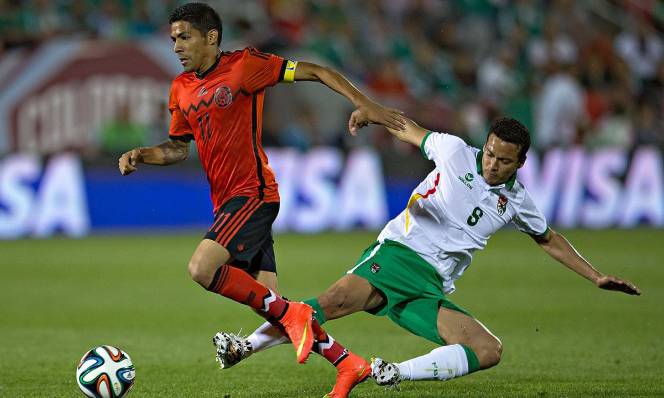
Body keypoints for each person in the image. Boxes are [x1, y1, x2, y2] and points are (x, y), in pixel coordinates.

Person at [214, 114, 641, 395]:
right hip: (401, 252)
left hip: (431, 286)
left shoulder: (517, 202)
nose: (491, 163)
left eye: (503, 160)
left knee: (487, 349)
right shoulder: (456, 152)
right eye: (490, 152)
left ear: (520, 163)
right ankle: (241, 347)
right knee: (329, 304)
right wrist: (368, 109)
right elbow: (406, 127)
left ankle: (392, 372)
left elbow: (548, 238)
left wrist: (595, 276)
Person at [117, 3, 404, 396]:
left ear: (211, 37)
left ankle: (295, 313)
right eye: (173, 39)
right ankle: (347, 363)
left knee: (202, 268)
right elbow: (178, 149)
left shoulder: (244, 66)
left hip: (253, 194)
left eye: (184, 37)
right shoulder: (181, 88)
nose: (177, 46)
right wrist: (143, 154)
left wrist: (363, 102)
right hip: (227, 204)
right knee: (268, 305)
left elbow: (316, 71)